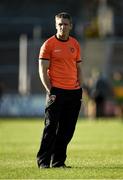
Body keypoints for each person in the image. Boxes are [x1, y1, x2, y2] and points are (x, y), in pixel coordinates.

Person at [37, 12, 83, 168]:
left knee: (67, 130)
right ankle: (43, 162)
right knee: (50, 128)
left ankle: (58, 162)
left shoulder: (75, 44)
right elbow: (42, 70)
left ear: (71, 26)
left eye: (65, 24)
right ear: (56, 25)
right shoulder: (48, 45)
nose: (62, 27)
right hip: (56, 91)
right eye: (60, 24)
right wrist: (50, 90)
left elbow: (79, 69)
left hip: (74, 93)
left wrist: (80, 89)